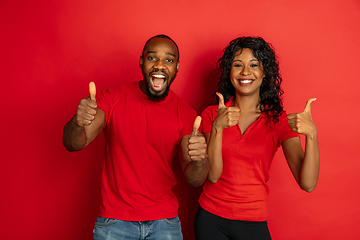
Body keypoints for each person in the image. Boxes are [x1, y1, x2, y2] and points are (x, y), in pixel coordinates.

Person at [62, 34, 209, 240]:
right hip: (115, 222)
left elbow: (195, 179)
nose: (159, 65)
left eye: (168, 60)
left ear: (176, 66)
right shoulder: (112, 98)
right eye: (152, 58)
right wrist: (79, 122)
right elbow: (74, 143)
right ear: (141, 62)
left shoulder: (185, 115)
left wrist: (201, 159)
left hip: (164, 222)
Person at [194, 37, 320, 240]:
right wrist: (217, 127)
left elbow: (308, 184)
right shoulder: (211, 115)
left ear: (264, 73)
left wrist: (312, 135)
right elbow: (213, 175)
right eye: (238, 65)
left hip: (253, 220)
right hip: (211, 218)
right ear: (230, 72)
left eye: (254, 65)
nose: (245, 72)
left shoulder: (278, 120)